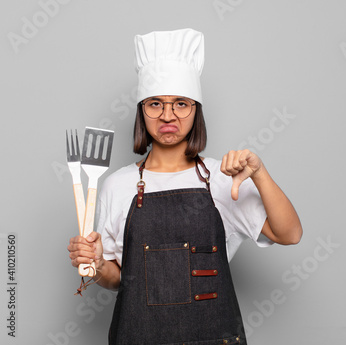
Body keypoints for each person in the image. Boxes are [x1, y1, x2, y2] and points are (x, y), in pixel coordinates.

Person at [67, 28, 302, 345]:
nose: (167, 115)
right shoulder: (116, 185)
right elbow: (119, 279)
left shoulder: (221, 178)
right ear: (142, 110)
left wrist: (259, 173)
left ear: (196, 111)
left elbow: (290, 234)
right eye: (155, 104)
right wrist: (95, 265)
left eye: (180, 103)